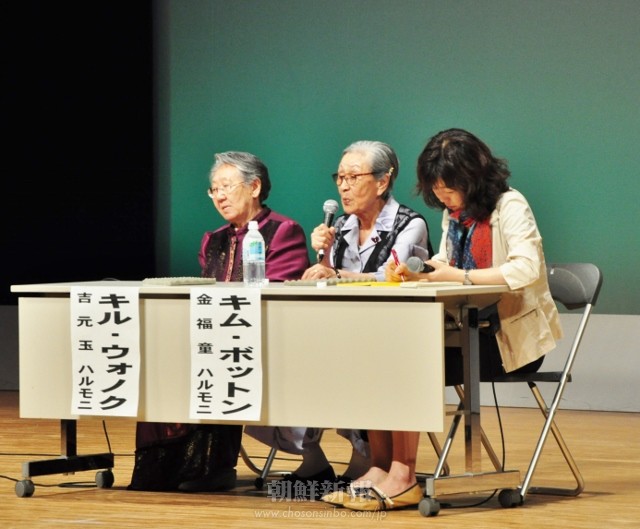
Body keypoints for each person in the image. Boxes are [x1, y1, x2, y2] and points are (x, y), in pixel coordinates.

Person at [342, 128, 563, 511]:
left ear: (473, 177)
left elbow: (526, 268)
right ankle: (380, 467)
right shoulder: (454, 214)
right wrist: (419, 271)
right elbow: (446, 260)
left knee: (405, 364)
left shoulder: (509, 205)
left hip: (506, 340)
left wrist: (458, 276)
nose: (441, 195)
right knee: (376, 357)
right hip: (459, 332)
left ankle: (403, 476)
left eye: (448, 187)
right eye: (436, 188)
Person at [246, 140, 433, 501]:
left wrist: (336, 274)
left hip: (399, 335)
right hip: (347, 332)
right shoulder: (342, 226)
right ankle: (314, 456)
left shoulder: (410, 224)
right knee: (281, 350)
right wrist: (322, 259)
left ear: (382, 182)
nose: (343, 187)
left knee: (369, 359)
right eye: (340, 178)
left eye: (353, 177)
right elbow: (327, 280)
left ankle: (379, 464)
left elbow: (394, 276)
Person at [128, 151, 310, 493]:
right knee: (161, 358)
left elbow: (279, 296)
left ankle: (212, 466)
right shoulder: (213, 239)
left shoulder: (282, 231)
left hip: (262, 340)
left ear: (254, 187)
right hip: (214, 334)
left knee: (213, 360)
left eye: (227, 186)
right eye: (214, 189)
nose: (220, 196)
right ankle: (163, 467)